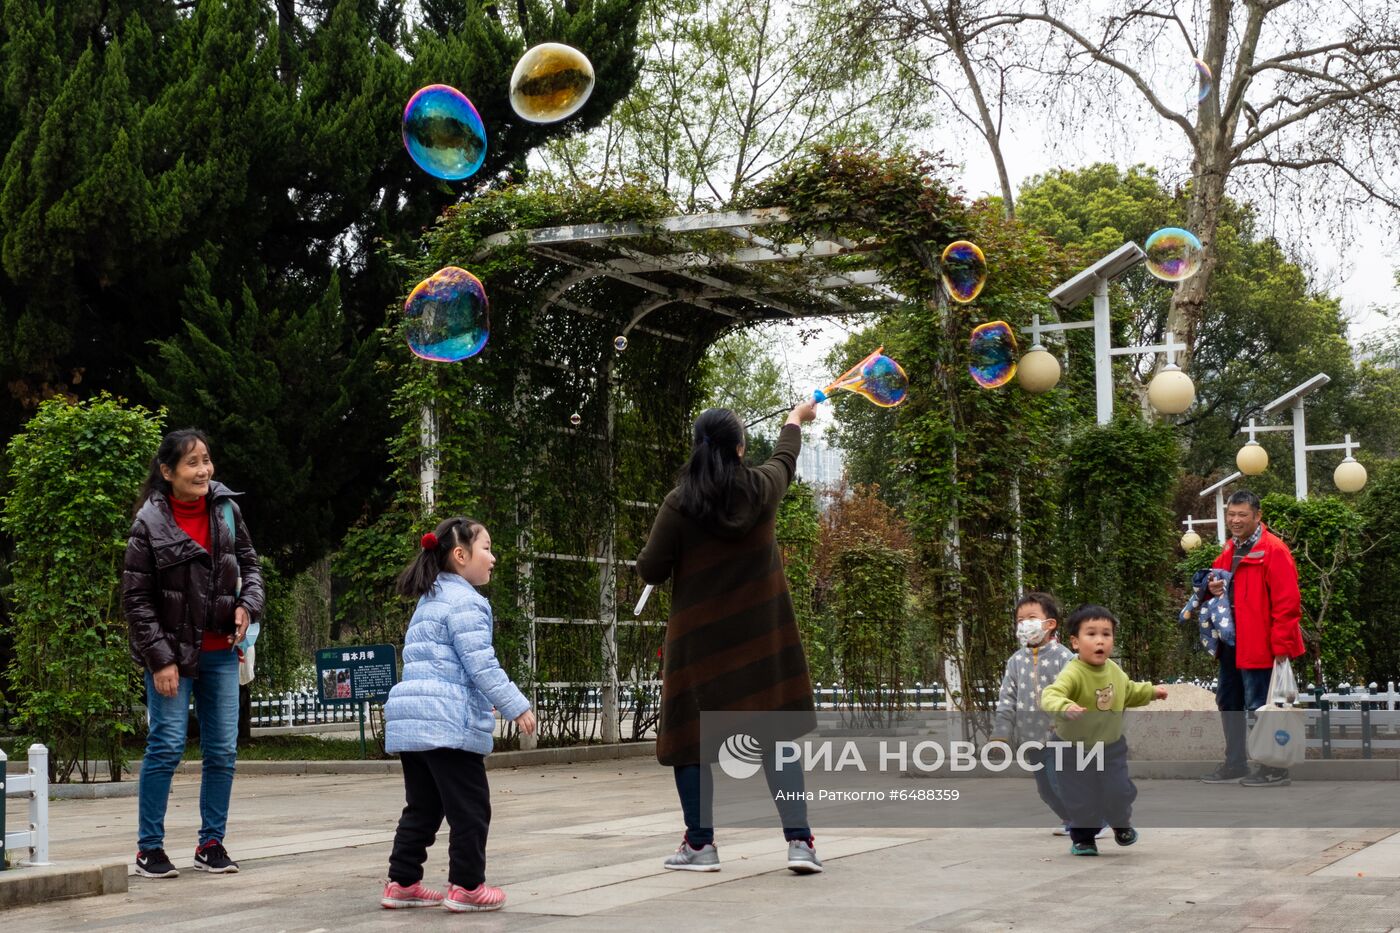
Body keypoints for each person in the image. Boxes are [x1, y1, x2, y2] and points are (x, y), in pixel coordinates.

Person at [636, 402, 823, 875]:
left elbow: (652, 568)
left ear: (698, 447)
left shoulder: (680, 503)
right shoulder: (763, 489)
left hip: (699, 646)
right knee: (776, 737)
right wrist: (794, 420)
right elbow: (785, 457)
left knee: (690, 740)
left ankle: (700, 847)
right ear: (740, 448)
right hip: (763, 641)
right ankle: (800, 843)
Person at [124, 428, 263, 878]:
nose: (204, 470)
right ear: (168, 472)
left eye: (206, 459)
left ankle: (211, 844)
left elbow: (251, 566)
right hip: (171, 656)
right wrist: (160, 659)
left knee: (222, 750)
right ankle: (150, 849)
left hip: (221, 650)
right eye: (192, 463)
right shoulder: (149, 522)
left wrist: (247, 605)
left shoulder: (226, 509)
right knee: (166, 746)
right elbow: (137, 600)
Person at [380, 517, 537, 913]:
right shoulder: (467, 602)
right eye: (486, 548)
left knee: (423, 807)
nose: (493, 558)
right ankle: (467, 886)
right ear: (460, 555)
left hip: (414, 722)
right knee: (471, 807)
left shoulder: (430, 598)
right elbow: (481, 665)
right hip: (447, 722)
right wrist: (516, 704)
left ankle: (402, 882)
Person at [1040, 604, 1168, 856]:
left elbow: (1128, 690)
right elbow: (1051, 694)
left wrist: (1152, 691)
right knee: (1079, 798)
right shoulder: (1073, 672)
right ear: (1075, 642)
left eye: (1106, 634)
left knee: (1119, 790)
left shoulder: (1114, 670)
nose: (1100, 641)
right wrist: (1064, 706)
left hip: (1110, 746)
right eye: (1091, 634)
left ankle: (1121, 823)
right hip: (1072, 749)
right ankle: (1084, 839)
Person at [1200, 490, 1305, 787]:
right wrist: (1213, 588)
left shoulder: (1274, 550)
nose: (1235, 520)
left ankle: (1274, 767)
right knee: (1229, 701)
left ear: (1257, 516)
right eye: (1231, 514)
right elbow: (1214, 585)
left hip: (1262, 643)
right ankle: (1235, 764)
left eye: (1242, 514)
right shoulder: (1229, 549)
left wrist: (1281, 646)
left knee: (1262, 704)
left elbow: (1288, 602)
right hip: (1232, 642)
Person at [989, 592, 1080, 836]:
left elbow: (1077, 691)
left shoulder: (1065, 658)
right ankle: (1071, 819)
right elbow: (1007, 698)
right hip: (1031, 737)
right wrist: (1001, 734)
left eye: (1030, 617)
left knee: (1060, 781)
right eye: (1019, 619)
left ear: (1050, 624)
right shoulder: (1016, 661)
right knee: (1046, 790)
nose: (1023, 623)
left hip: (1061, 735)